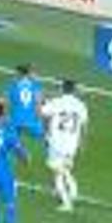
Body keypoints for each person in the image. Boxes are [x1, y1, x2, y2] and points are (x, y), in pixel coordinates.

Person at [40, 80, 89, 212]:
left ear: (62, 89)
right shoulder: (81, 105)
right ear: (74, 90)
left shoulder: (56, 102)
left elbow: (42, 113)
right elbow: (84, 126)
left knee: (57, 173)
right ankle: (73, 192)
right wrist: (82, 143)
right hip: (72, 143)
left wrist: (41, 100)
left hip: (57, 143)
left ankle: (67, 203)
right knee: (65, 169)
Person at [4, 64, 44, 141]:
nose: (14, 76)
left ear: (20, 74)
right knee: (43, 139)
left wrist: (6, 116)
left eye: (15, 74)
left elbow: (6, 103)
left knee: (12, 141)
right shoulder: (35, 85)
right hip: (31, 120)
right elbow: (38, 103)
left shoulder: (12, 85)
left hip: (16, 119)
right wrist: (39, 118)